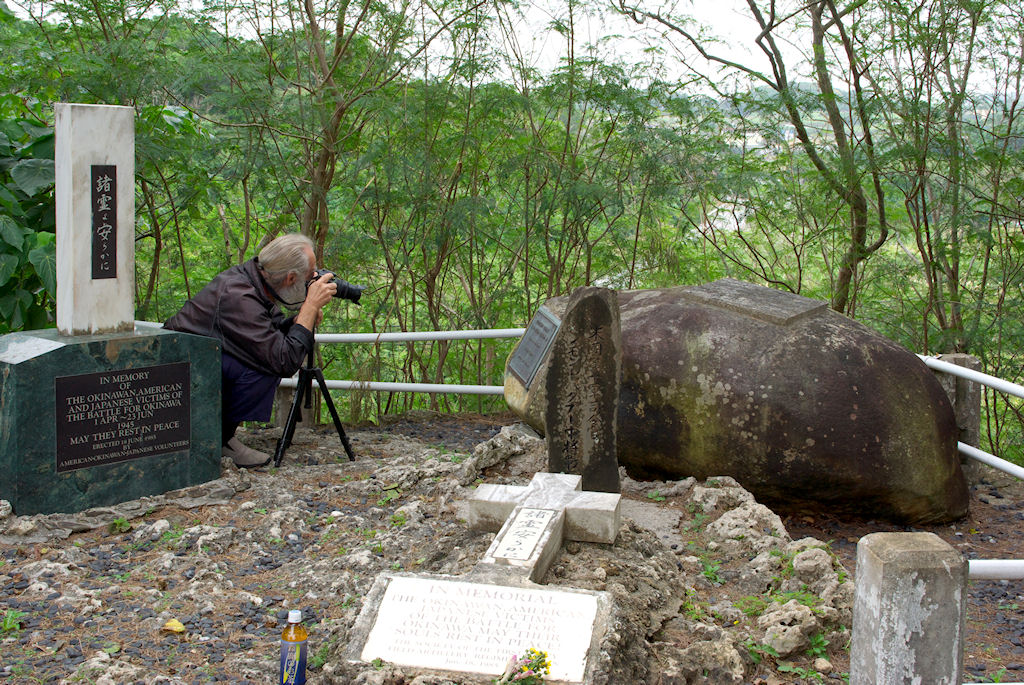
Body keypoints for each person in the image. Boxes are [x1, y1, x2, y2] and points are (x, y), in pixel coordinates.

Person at [164, 234, 337, 467]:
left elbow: (269, 330)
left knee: (263, 362)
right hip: (176, 379)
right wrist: (310, 308)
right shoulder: (239, 295)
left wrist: (299, 320)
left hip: (203, 361)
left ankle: (222, 438)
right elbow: (283, 361)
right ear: (291, 278)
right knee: (263, 369)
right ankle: (215, 441)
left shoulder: (254, 279)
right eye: (310, 275)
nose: (315, 279)